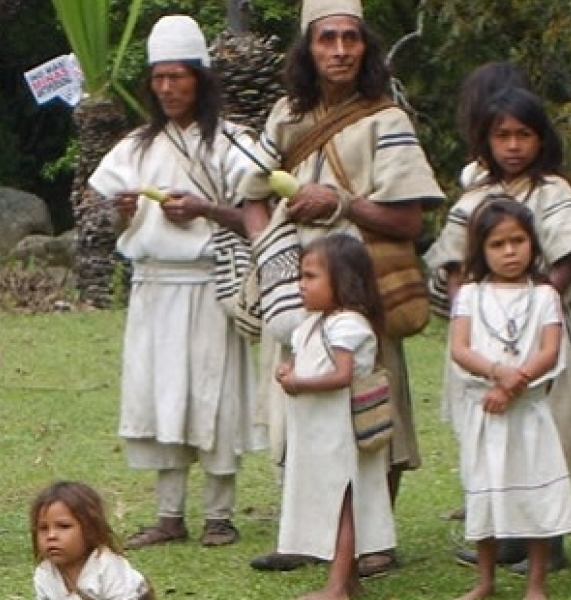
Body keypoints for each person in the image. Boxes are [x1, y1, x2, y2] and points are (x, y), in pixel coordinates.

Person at [237, 0, 445, 576]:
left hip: (363, 287)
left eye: (350, 39)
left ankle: (375, 542)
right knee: (295, 410)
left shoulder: (387, 120)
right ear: (308, 47)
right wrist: (268, 249)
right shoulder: (284, 114)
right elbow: (251, 195)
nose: (339, 50)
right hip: (295, 291)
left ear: (365, 47)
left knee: (373, 410)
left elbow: (408, 222)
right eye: (326, 38)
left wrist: (342, 203)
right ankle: (307, 534)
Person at [86, 14, 262, 551]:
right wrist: (123, 212)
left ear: (200, 79)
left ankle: (219, 513)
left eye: (178, 77)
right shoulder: (136, 146)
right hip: (154, 285)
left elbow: (259, 216)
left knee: (213, 394)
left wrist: (206, 208)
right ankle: (168, 513)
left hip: (211, 284)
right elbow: (121, 222)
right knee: (161, 394)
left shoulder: (234, 144)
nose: (167, 88)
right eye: (159, 78)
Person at [424, 87, 571, 575]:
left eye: (524, 135)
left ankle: (549, 538)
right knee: (489, 436)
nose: (514, 146)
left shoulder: (552, 191)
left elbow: (570, 253)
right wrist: (466, 308)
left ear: (541, 140)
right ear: (486, 140)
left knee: (543, 435)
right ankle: (501, 535)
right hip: (482, 334)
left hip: (540, 332)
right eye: (503, 136)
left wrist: (541, 297)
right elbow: (454, 258)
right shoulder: (476, 196)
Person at [446, 200, 571, 600]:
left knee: (534, 493)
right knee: (483, 493)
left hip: (528, 412)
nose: (509, 252)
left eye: (517, 241)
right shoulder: (470, 294)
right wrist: (495, 374)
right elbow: (460, 347)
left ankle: (536, 583)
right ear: (481, 250)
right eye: (497, 244)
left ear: (532, 244)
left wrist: (511, 384)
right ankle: (486, 580)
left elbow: (549, 350)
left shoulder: (544, 296)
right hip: (484, 413)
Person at [273, 235, 394, 600]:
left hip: (341, 435)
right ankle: (349, 581)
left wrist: (298, 383)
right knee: (330, 502)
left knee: (343, 503)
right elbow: (309, 361)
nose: (301, 284)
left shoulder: (349, 325)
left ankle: (337, 586)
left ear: (343, 281)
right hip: (317, 433)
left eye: (310, 277)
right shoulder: (311, 324)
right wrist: (289, 371)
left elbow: (342, 376)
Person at [31, 481, 155, 600]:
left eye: (64, 526)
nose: (51, 535)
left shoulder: (107, 567)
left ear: (90, 529)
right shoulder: (45, 573)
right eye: (43, 528)